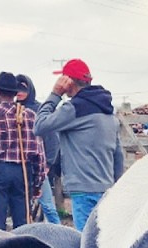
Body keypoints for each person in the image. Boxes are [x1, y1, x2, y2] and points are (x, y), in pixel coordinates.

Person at [35, 58, 124, 231]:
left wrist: (55, 94)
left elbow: (39, 126)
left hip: (82, 190)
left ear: (67, 81)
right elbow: (118, 154)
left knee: (84, 243)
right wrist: (116, 186)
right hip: (106, 188)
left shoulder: (73, 109)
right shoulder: (108, 111)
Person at [0, 71, 46, 230]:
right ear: (14, 94)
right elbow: (39, 153)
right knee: (23, 220)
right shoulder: (30, 116)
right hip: (23, 172)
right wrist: (38, 182)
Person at [16, 73, 61, 224]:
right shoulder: (13, 110)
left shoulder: (40, 110)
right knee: (22, 206)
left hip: (37, 165)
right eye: (16, 89)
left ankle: (60, 235)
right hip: (18, 166)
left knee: (47, 205)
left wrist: (48, 164)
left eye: (23, 89)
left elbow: (52, 139)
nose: (19, 92)